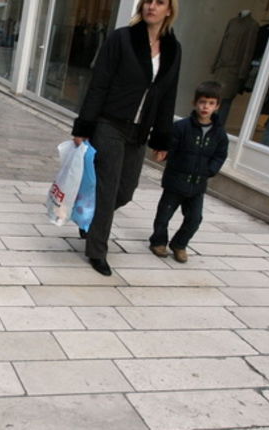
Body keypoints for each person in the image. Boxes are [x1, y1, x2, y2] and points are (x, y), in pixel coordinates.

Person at [70, 0, 181, 276]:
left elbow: (168, 96)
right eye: (148, 2)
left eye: (159, 3)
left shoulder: (173, 49)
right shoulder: (122, 39)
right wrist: (83, 126)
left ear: (169, 10)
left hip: (140, 131)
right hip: (110, 124)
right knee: (107, 192)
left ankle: (89, 219)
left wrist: (162, 139)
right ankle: (97, 251)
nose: (151, 7)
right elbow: (99, 83)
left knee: (125, 191)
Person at [149, 81, 228, 263]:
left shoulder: (219, 134)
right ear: (194, 103)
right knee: (163, 215)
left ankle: (179, 244)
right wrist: (164, 154)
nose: (205, 107)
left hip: (197, 185)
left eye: (210, 103)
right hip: (175, 181)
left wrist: (210, 170)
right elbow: (171, 147)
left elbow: (220, 155)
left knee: (194, 219)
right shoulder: (181, 127)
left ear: (217, 106)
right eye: (202, 102)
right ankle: (158, 241)